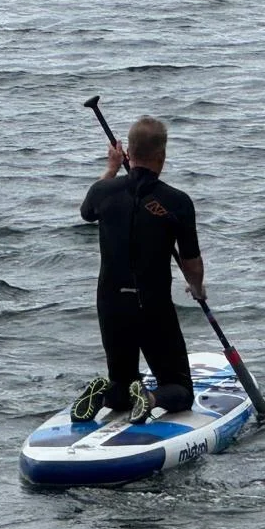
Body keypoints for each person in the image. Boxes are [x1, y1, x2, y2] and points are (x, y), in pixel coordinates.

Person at [75, 115, 204, 424]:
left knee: (122, 381)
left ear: (127, 154)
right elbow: (191, 262)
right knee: (181, 390)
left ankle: (109, 392)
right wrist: (197, 289)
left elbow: (87, 211)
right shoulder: (177, 201)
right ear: (162, 156)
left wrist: (110, 168)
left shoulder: (103, 192)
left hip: (110, 302)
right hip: (151, 304)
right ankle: (149, 398)